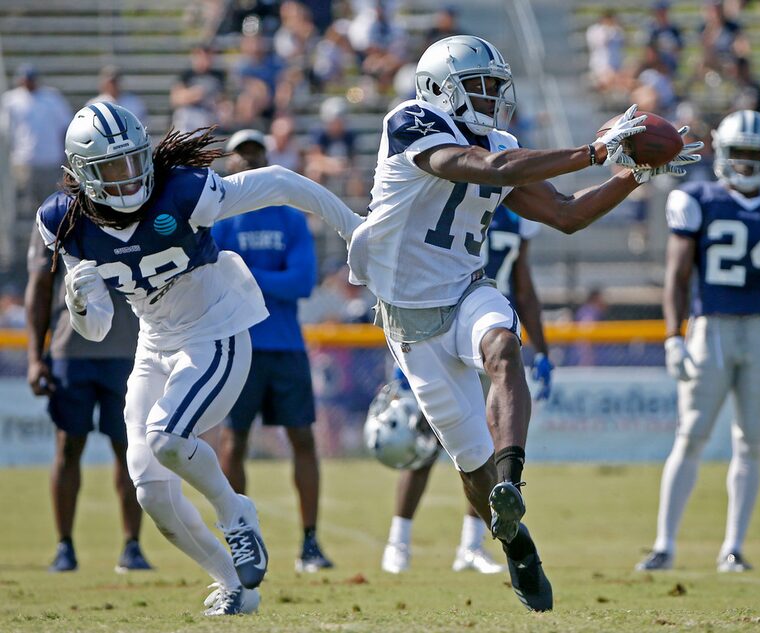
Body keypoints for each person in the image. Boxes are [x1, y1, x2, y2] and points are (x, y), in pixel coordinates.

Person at [345, 35, 701, 611]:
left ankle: (512, 480)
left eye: (494, 87)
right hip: (408, 324)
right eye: (479, 87)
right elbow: (481, 168)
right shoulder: (410, 122)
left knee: (503, 347)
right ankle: (516, 542)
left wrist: (634, 174)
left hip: (465, 292)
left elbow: (565, 215)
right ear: (439, 90)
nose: (492, 99)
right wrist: (592, 151)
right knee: (468, 462)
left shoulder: (502, 142)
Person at [37, 102, 362, 615]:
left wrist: (352, 226)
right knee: (150, 491)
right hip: (154, 343)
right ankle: (234, 584)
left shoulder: (183, 191)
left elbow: (276, 180)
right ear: (83, 174)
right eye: (111, 169)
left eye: (131, 161)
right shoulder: (65, 221)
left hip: (217, 328)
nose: (127, 178)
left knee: (168, 438)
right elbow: (95, 328)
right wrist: (78, 300)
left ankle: (235, 514)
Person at [636, 110, 760, 573]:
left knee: (750, 443)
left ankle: (733, 547)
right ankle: (664, 544)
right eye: (739, 153)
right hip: (709, 327)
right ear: (721, 153)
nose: (746, 163)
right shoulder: (697, 199)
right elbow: (676, 277)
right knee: (690, 435)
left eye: (755, 154)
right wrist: (674, 337)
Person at [379, 203, 552, 575]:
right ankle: (399, 540)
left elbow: (524, 286)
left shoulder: (519, 216)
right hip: (440, 328)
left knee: (486, 446)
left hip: (490, 329)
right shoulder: (454, 200)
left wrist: (542, 348)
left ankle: (472, 545)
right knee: (424, 442)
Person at [212, 129, 335, 573]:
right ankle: (237, 537)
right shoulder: (219, 219)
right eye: (241, 156)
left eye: (256, 154)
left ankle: (309, 543)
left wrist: (246, 277)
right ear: (228, 164)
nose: (249, 162)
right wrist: (269, 279)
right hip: (239, 344)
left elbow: (301, 282)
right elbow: (213, 278)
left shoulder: (291, 217)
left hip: (284, 345)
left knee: (303, 439)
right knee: (234, 440)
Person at [25, 220, 151, 574]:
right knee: (67, 447)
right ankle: (64, 546)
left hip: (129, 349)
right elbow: (40, 285)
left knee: (130, 449)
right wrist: (36, 358)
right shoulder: (57, 218)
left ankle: (133, 546)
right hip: (72, 350)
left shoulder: (136, 204)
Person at [0, 63, 72, 276]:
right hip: (26, 162)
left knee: (54, 209)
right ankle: (39, 256)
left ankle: (57, 253)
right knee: (35, 212)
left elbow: (64, 126)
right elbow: (7, 132)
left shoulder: (51, 97)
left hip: (51, 162)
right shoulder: (12, 100)